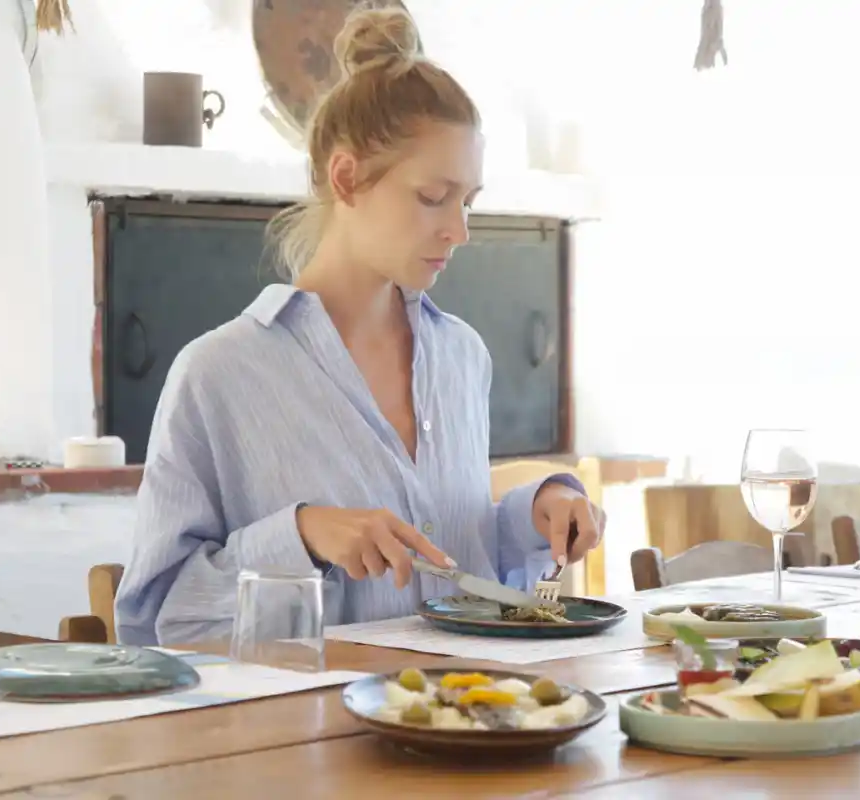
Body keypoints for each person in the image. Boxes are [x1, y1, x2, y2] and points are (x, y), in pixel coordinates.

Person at [114, 6, 606, 646]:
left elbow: (451, 558)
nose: (460, 230)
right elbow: (153, 620)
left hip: (468, 718)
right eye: (433, 197)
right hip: (306, 737)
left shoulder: (462, 356)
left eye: (469, 201)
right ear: (347, 178)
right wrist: (301, 535)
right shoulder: (218, 374)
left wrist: (536, 510)